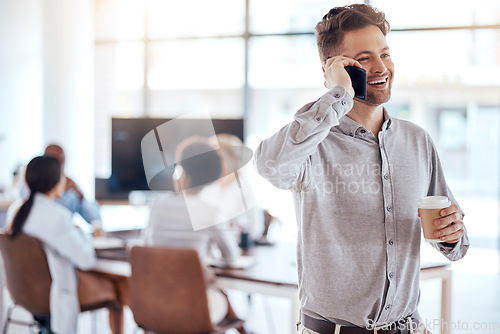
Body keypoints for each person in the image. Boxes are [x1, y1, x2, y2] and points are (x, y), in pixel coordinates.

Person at [253, 4, 469, 334]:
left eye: (385, 53)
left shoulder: (417, 141)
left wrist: (452, 237)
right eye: (365, 58)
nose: (382, 67)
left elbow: (455, 238)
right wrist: (338, 94)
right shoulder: (312, 143)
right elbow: (270, 165)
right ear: (334, 68)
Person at [4, 156, 125, 334]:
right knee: (117, 289)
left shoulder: (16, 211)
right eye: (62, 176)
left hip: (24, 294)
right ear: (54, 180)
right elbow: (86, 260)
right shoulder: (57, 216)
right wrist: (80, 232)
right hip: (51, 298)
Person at [142, 137, 250, 333]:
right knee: (218, 300)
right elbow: (232, 258)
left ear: (183, 173)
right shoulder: (211, 213)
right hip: (192, 308)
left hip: (153, 303)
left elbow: (146, 247)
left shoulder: (157, 205)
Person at [43, 144, 102, 230]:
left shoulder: (71, 191)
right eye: (55, 161)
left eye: (61, 161)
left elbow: (96, 220)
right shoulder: (30, 187)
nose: (58, 166)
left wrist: (80, 195)